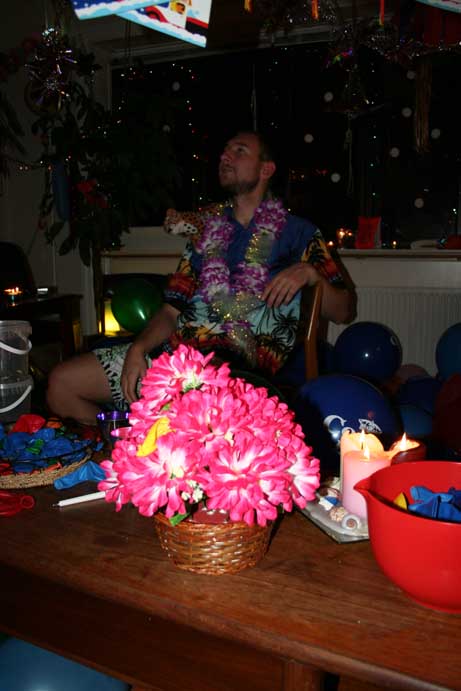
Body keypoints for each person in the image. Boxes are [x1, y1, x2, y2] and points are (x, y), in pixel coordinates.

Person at [46, 130, 356, 425]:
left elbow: (343, 311)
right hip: (176, 358)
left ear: (266, 169)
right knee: (61, 384)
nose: (225, 156)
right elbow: (171, 311)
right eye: (225, 151)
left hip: (240, 371)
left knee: (202, 396)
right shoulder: (207, 232)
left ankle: (169, 445)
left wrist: (310, 274)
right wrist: (138, 349)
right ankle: (133, 452)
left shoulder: (298, 233)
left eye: (239, 151)